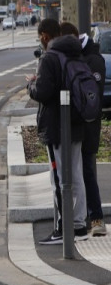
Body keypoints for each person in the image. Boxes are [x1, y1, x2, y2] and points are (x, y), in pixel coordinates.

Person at [28, 18, 90, 243]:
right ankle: (80, 225)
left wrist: (30, 85)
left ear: (45, 35)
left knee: (60, 179)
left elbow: (43, 92)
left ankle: (63, 229)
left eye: (40, 37)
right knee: (76, 175)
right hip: (76, 124)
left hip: (56, 126)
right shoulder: (74, 53)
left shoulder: (49, 58)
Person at [60, 21, 107, 237]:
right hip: (78, 124)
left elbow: (92, 97)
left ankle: (96, 217)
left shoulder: (93, 59)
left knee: (86, 169)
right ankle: (85, 217)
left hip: (88, 124)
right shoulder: (76, 57)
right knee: (79, 171)